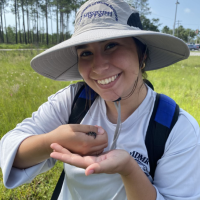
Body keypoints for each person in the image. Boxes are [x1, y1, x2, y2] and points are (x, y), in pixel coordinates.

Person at [1, 0, 200, 199]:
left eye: (111, 45)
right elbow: (10, 146)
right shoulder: (75, 100)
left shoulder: (176, 129)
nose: (98, 67)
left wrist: (129, 170)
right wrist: (52, 141)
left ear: (143, 54)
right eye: (86, 53)